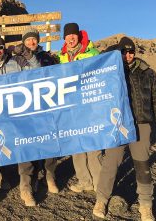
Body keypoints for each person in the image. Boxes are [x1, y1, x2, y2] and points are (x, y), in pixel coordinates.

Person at [93, 37, 156, 221]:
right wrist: (113, 53)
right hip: (118, 124)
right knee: (111, 162)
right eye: (123, 52)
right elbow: (97, 67)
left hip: (141, 123)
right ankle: (101, 200)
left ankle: (145, 205)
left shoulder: (147, 72)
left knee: (142, 165)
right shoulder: (112, 71)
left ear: (135, 52)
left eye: (131, 51)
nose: (128, 55)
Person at [0, 36, 40, 208]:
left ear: (4, 48)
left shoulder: (17, 61)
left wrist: (28, 53)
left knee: (24, 151)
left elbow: (37, 71)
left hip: (20, 114)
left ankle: (26, 189)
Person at [12, 28, 59, 194]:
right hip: (26, 109)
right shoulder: (16, 60)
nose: (31, 42)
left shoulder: (47, 57)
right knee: (28, 144)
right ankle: (29, 180)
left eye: (34, 39)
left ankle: (50, 176)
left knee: (49, 142)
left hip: (46, 106)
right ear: (23, 42)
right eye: (28, 40)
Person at [58, 23, 101, 193]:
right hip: (71, 109)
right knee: (76, 147)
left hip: (90, 107)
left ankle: (98, 183)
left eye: (73, 35)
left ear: (78, 36)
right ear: (64, 38)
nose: (70, 38)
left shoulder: (92, 53)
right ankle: (85, 181)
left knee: (93, 146)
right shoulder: (61, 57)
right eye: (67, 36)